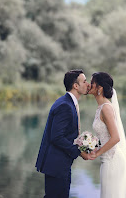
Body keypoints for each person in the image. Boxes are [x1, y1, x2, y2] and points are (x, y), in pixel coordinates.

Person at [35, 69, 92, 198]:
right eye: (84, 81)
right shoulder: (65, 105)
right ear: (75, 86)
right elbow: (57, 137)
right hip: (56, 166)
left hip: (60, 164)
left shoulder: (66, 102)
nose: (87, 84)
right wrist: (78, 151)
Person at [88, 72, 126, 198]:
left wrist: (97, 153)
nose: (89, 85)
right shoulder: (100, 107)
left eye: (92, 83)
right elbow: (104, 135)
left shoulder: (106, 108)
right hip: (106, 160)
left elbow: (116, 137)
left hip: (113, 161)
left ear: (99, 87)